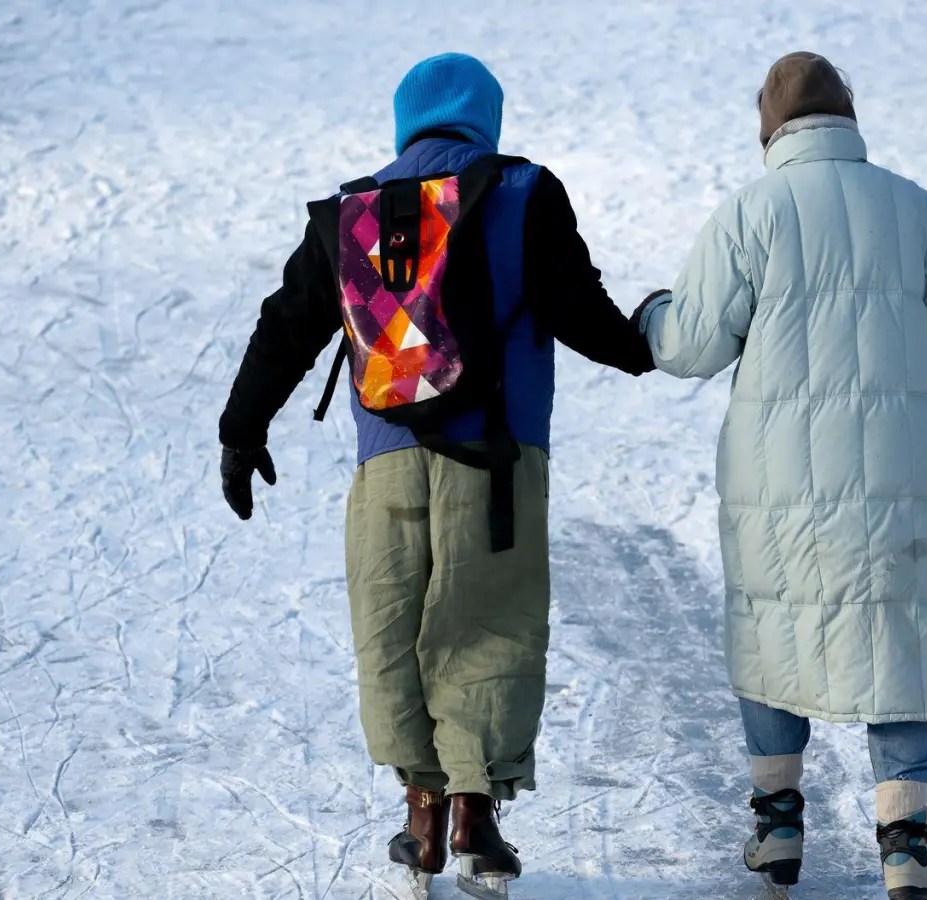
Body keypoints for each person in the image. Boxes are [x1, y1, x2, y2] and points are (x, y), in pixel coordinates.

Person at [218, 52, 653, 897]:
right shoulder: (523, 191)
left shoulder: (353, 213)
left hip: (386, 463)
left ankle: (420, 818)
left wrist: (241, 433)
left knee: (394, 627)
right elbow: (579, 308)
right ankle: (474, 814)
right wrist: (646, 346)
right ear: (486, 117)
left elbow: (284, 326)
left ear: (404, 120)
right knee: (488, 622)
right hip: (499, 456)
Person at [634, 51, 927, 900]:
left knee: (774, 625)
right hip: (895, 471)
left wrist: (655, 313)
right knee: (900, 630)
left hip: (775, 480)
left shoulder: (749, 214)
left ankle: (776, 832)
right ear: (850, 119)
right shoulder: (916, 210)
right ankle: (907, 848)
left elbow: (690, 346)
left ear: (770, 132)